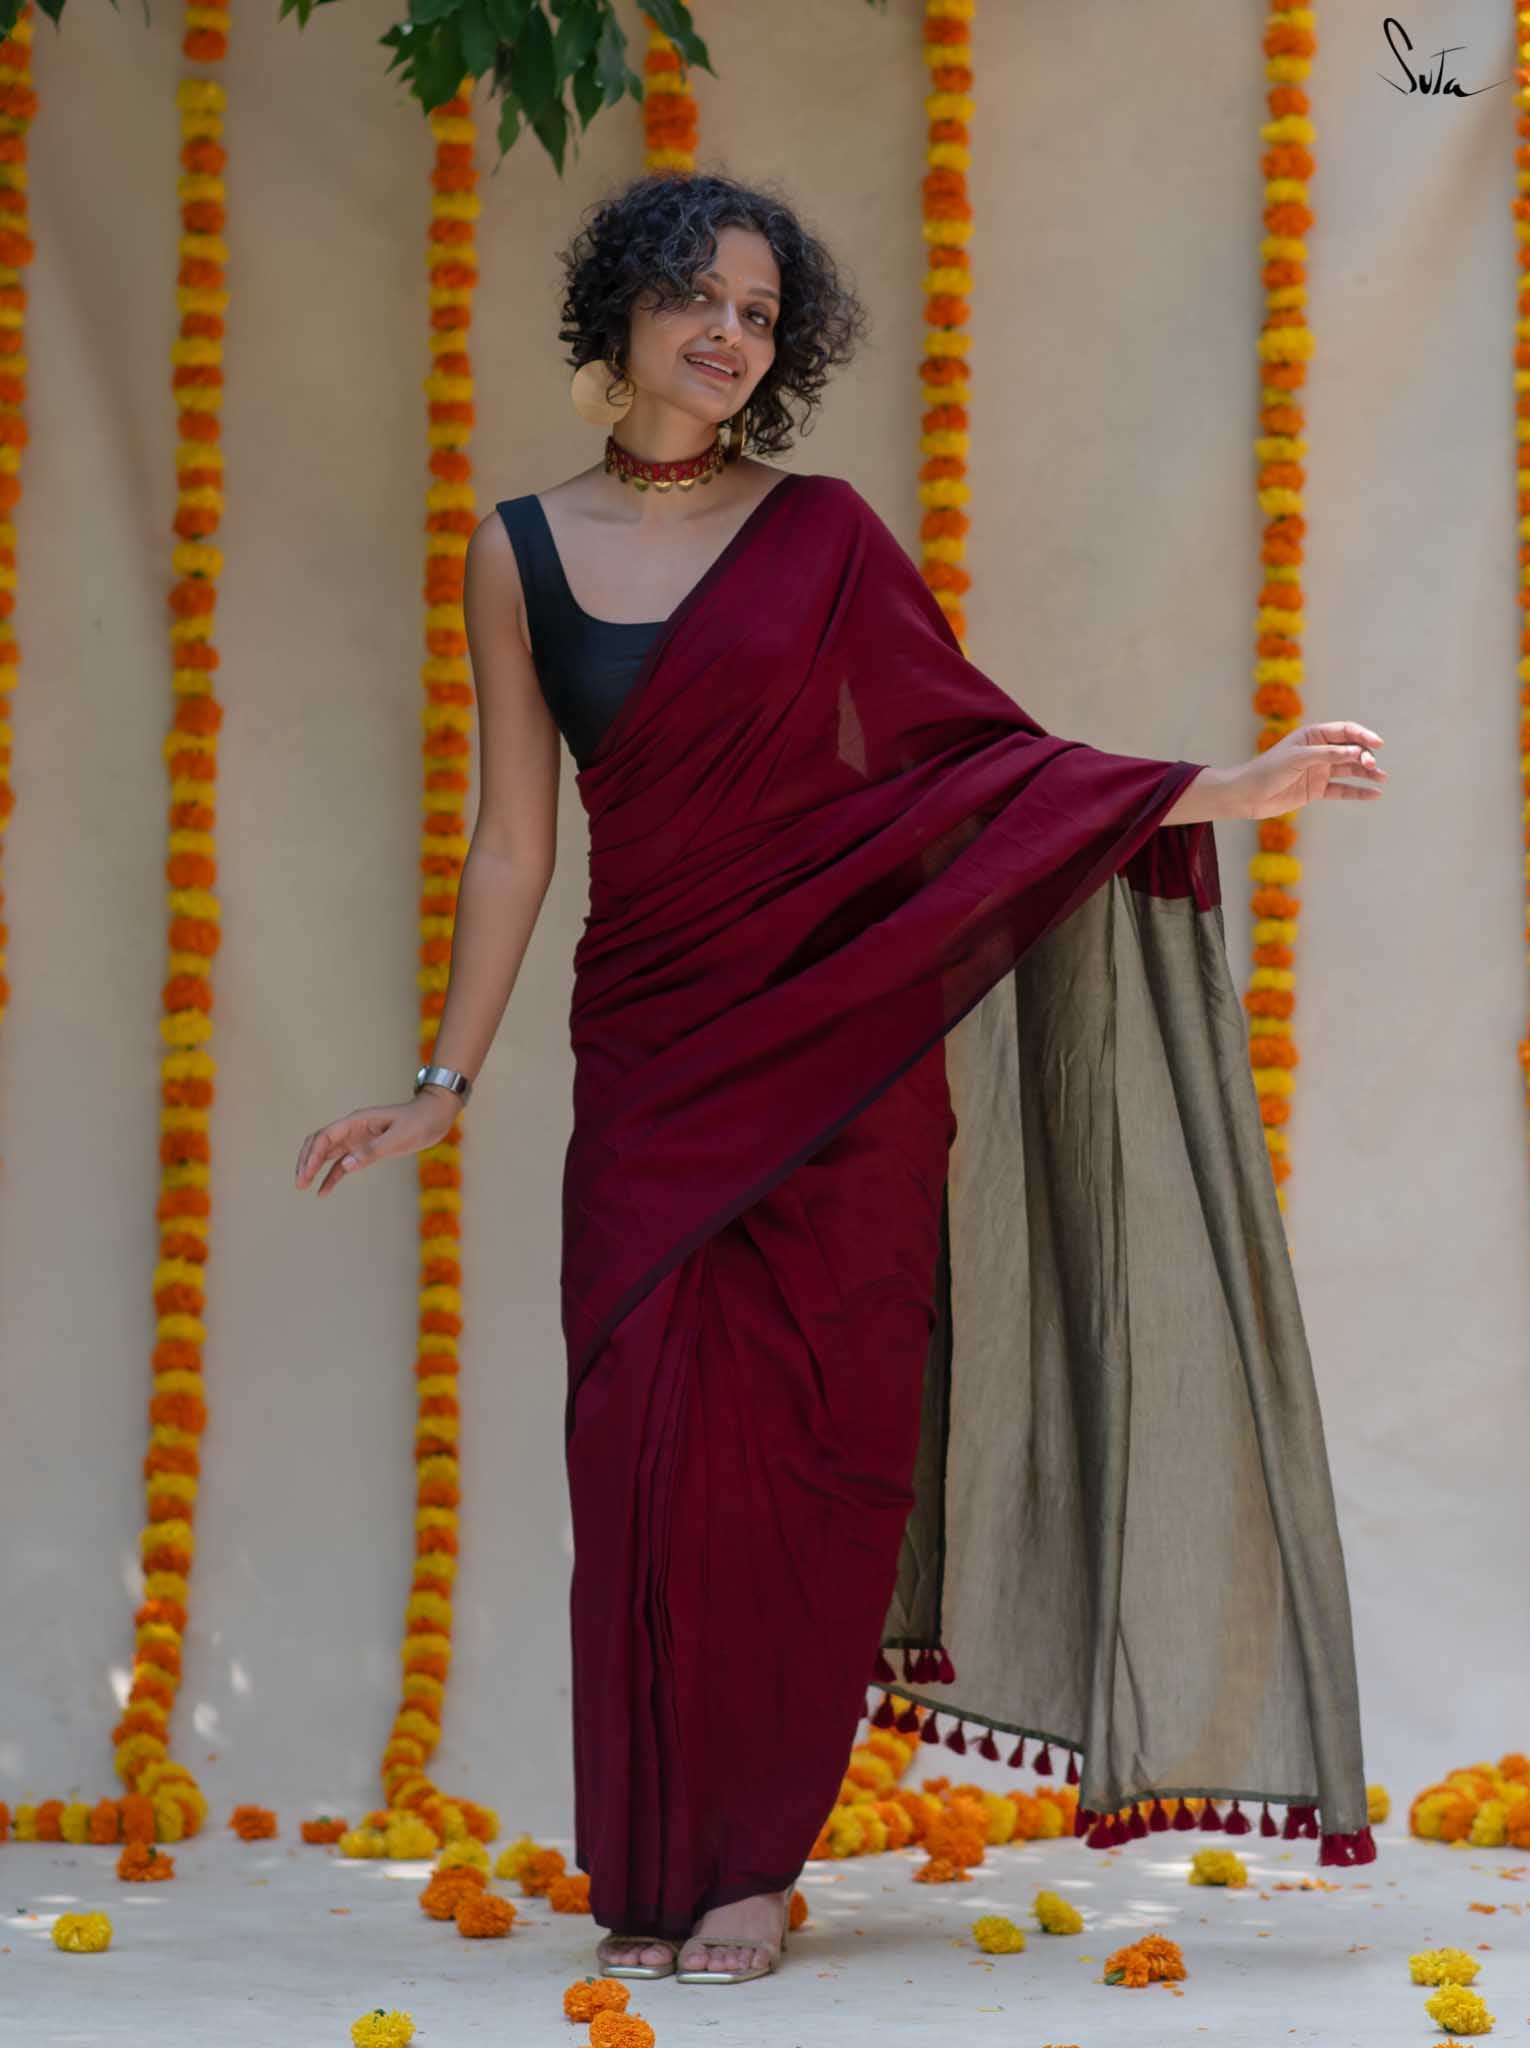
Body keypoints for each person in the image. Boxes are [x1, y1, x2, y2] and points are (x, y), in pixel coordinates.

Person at [293, 171, 1387, 1989]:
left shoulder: (823, 537)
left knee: (812, 1455)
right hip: (652, 1059)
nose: (730, 335)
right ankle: (651, 1863)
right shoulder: (517, 551)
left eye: (761, 314)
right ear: (625, 305)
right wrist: (442, 1082)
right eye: (700, 298)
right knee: (641, 1457)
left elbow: (970, 769)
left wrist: (1215, 789)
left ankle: (745, 1870)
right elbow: (513, 842)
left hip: (841, 1058)